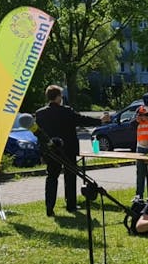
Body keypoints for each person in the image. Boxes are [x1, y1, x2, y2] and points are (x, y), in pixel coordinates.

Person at [33, 84, 100, 215]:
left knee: (51, 177)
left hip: (51, 151)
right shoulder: (67, 111)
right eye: (61, 96)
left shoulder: (40, 114)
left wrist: (42, 151)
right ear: (58, 97)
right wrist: (100, 121)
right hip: (68, 149)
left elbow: (39, 134)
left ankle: (49, 207)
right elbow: (82, 120)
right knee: (70, 178)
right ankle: (71, 205)